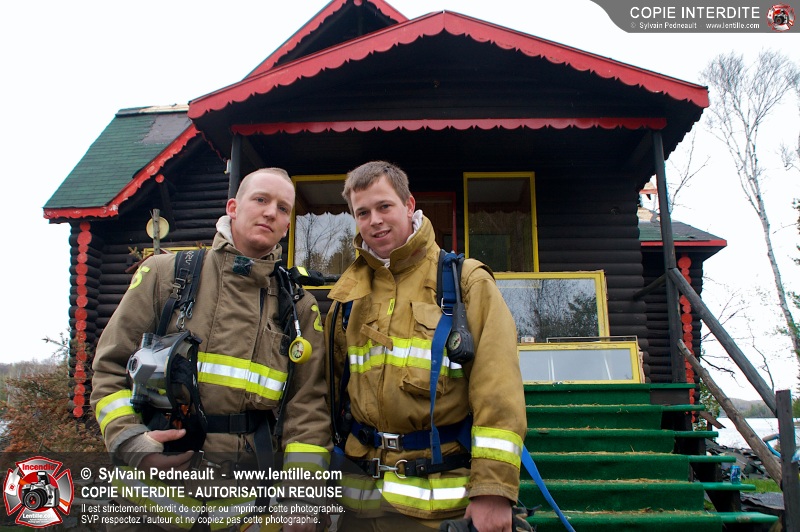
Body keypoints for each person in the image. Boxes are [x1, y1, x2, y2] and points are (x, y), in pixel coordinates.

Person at [91, 168, 331, 530]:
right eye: (261, 199)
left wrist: (301, 496)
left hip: (241, 510)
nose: (271, 212)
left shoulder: (298, 308)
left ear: (286, 226)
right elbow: (110, 369)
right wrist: (131, 443)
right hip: (146, 505)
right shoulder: (166, 275)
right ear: (232, 207)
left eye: (283, 208)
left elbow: (308, 410)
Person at [325, 161, 527, 531]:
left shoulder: (465, 282)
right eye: (362, 213)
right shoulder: (347, 297)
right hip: (359, 506)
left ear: (408, 205)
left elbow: (499, 392)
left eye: (384, 206)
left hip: (440, 508)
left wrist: (493, 491)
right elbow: (329, 400)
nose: (375, 221)